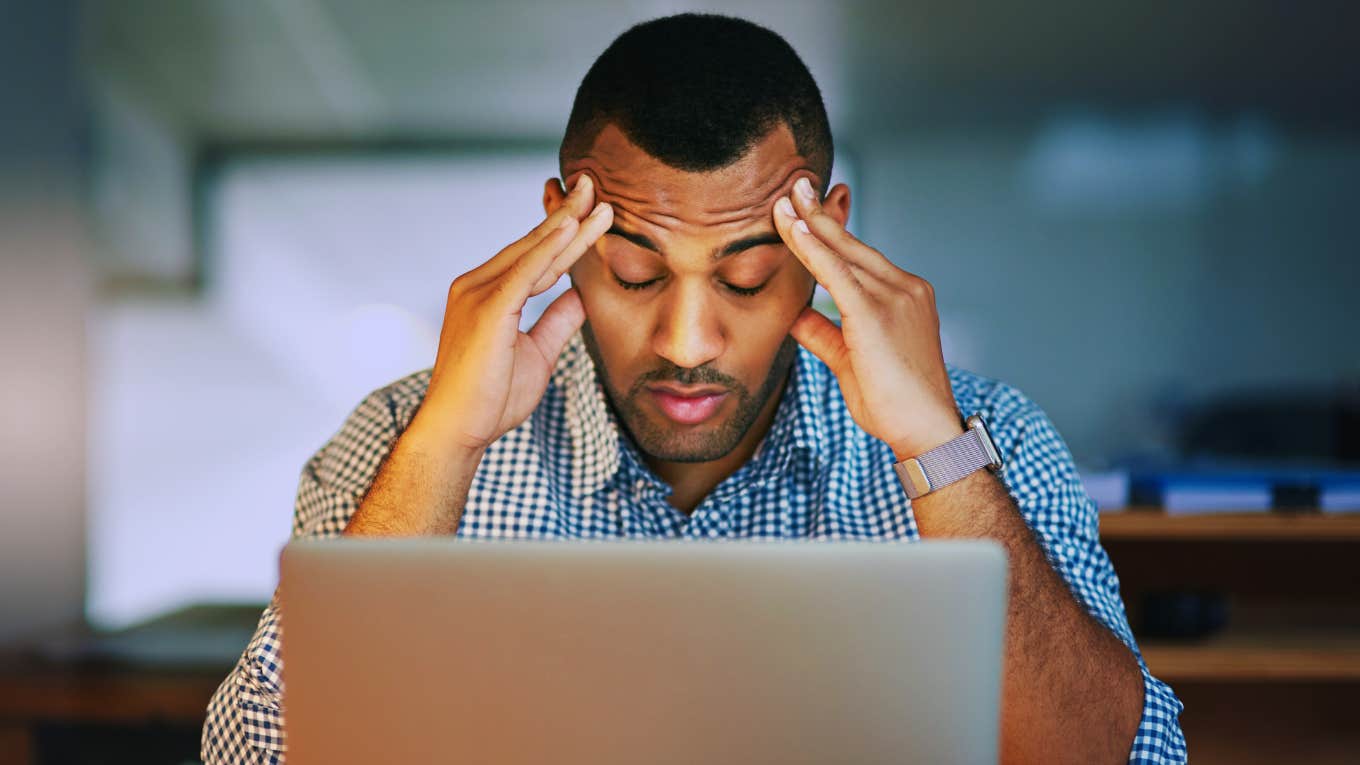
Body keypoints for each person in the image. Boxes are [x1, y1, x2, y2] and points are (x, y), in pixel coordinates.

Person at [203, 13, 1185, 765]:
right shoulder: (395, 436)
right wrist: (441, 449)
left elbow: (1111, 757)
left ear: (829, 235)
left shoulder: (989, 436)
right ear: (562, 228)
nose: (686, 340)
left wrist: (934, 444)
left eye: (747, 276)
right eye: (634, 274)